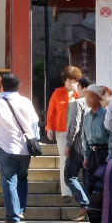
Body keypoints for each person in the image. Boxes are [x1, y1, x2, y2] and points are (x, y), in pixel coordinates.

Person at [0, 73, 40, 223]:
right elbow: (35, 124)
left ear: (2, 87)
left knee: (8, 181)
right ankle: (20, 210)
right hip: (25, 148)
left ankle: (12, 217)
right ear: (18, 86)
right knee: (22, 178)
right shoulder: (26, 102)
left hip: (5, 147)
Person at [46, 66, 81, 198]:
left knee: (77, 159)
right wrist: (49, 128)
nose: (70, 82)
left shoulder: (80, 93)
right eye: (68, 80)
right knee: (64, 159)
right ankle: (66, 192)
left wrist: (78, 93)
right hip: (62, 131)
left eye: (73, 80)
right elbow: (51, 111)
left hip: (78, 132)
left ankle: (78, 189)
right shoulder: (57, 92)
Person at [64, 76, 92, 213]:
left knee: (69, 177)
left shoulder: (79, 103)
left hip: (78, 146)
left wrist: (68, 144)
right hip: (93, 147)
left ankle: (84, 203)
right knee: (88, 179)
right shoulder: (97, 103)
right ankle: (90, 208)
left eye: (79, 87)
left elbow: (74, 125)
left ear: (84, 88)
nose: (78, 91)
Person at [81, 84, 112, 199]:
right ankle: (92, 213)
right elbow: (84, 137)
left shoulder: (106, 115)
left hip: (104, 153)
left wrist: (110, 156)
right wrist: (86, 156)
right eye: (86, 97)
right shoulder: (87, 117)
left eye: (90, 97)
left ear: (98, 99)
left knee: (103, 186)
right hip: (92, 154)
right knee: (89, 185)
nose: (87, 100)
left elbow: (111, 137)